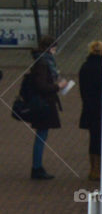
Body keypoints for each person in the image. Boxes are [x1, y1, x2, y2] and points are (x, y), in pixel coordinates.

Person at [28, 35, 65, 180]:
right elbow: (42, 86)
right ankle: (36, 167)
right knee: (41, 136)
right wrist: (58, 86)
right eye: (54, 48)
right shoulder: (44, 63)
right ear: (50, 48)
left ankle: (37, 166)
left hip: (42, 102)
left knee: (41, 135)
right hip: (44, 104)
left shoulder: (42, 61)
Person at [78, 38, 102, 182]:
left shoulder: (85, 67)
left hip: (89, 108)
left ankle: (93, 169)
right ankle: (100, 169)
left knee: (93, 139)